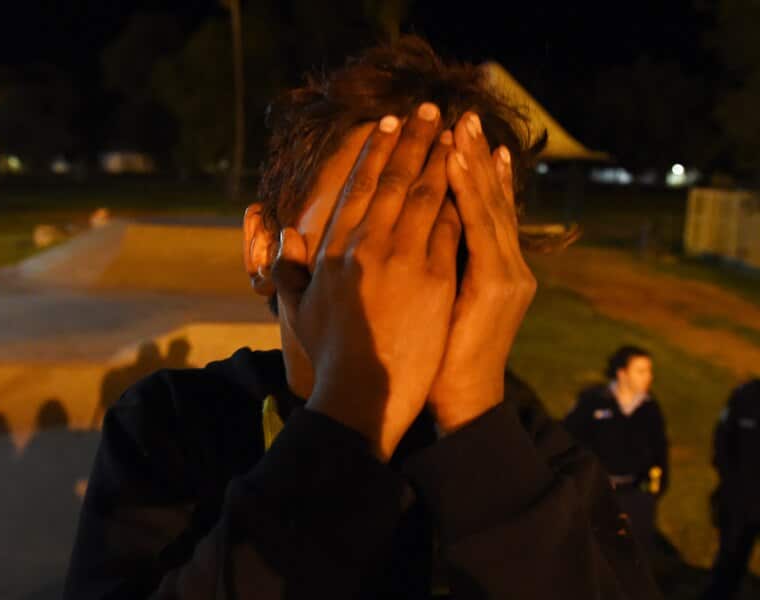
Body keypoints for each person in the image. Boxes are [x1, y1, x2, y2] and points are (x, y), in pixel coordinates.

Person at [63, 36, 661, 599]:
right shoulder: (173, 428)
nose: (411, 268)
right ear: (263, 247)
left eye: (453, 230)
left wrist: (477, 424)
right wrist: (347, 416)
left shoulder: (534, 457)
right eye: (373, 221)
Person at [564, 345, 669, 554]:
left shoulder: (650, 408)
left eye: (649, 371)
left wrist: (654, 491)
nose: (649, 377)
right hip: (594, 491)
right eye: (641, 371)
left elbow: (660, 450)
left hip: (635, 494)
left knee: (634, 551)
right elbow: (569, 439)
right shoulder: (593, 402)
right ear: (622, 373)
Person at [702, 378, 760, 600]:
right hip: (740, 497)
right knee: (730, 560)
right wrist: (730, 483)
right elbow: (722, 439)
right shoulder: (745, 395)